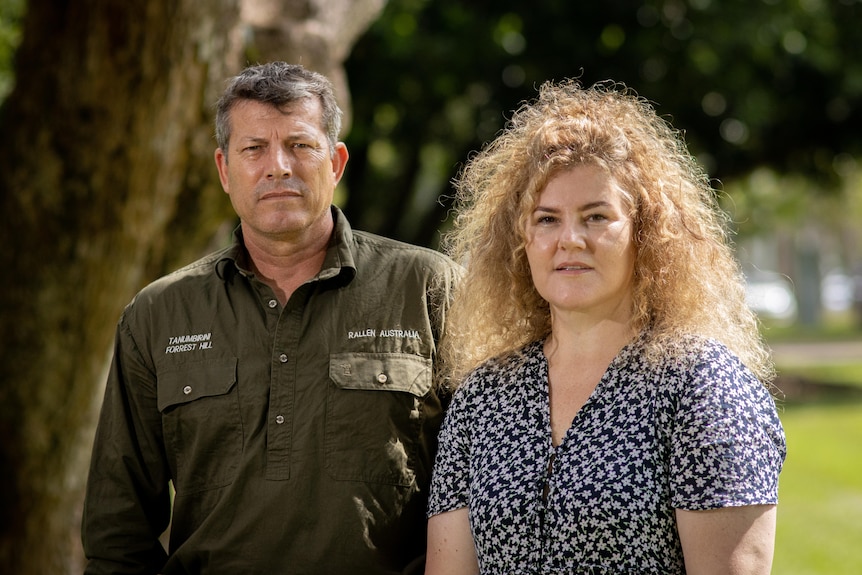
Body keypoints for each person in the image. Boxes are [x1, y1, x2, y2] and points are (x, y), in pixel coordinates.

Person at [81, 61, 459, 574]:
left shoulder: (429, 289)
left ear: (336, 163)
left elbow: (485, 486)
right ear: (223, 169)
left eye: (300, 146)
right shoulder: (158, 314)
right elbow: (116, 526)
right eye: (253, 148)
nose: (277, 165)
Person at [425, 79, 786, 574]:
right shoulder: (483, 397)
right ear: (521, 239)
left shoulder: (702, 385)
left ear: (646, 233)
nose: (570, 239)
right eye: (547, 219)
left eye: (596, 217)